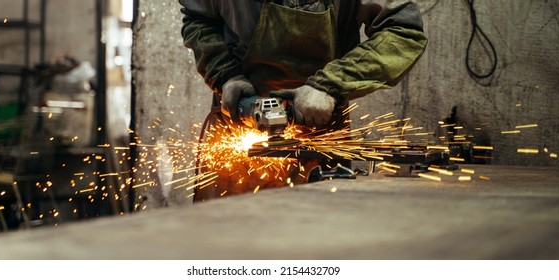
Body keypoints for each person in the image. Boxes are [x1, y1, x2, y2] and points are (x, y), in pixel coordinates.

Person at [180, 0, 428, 200]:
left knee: (318, 240)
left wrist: (330, 85)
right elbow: (199, 18)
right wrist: (226, 75)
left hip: (320, 127)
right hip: (240, 126)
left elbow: (402, 31)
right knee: (228, 240)